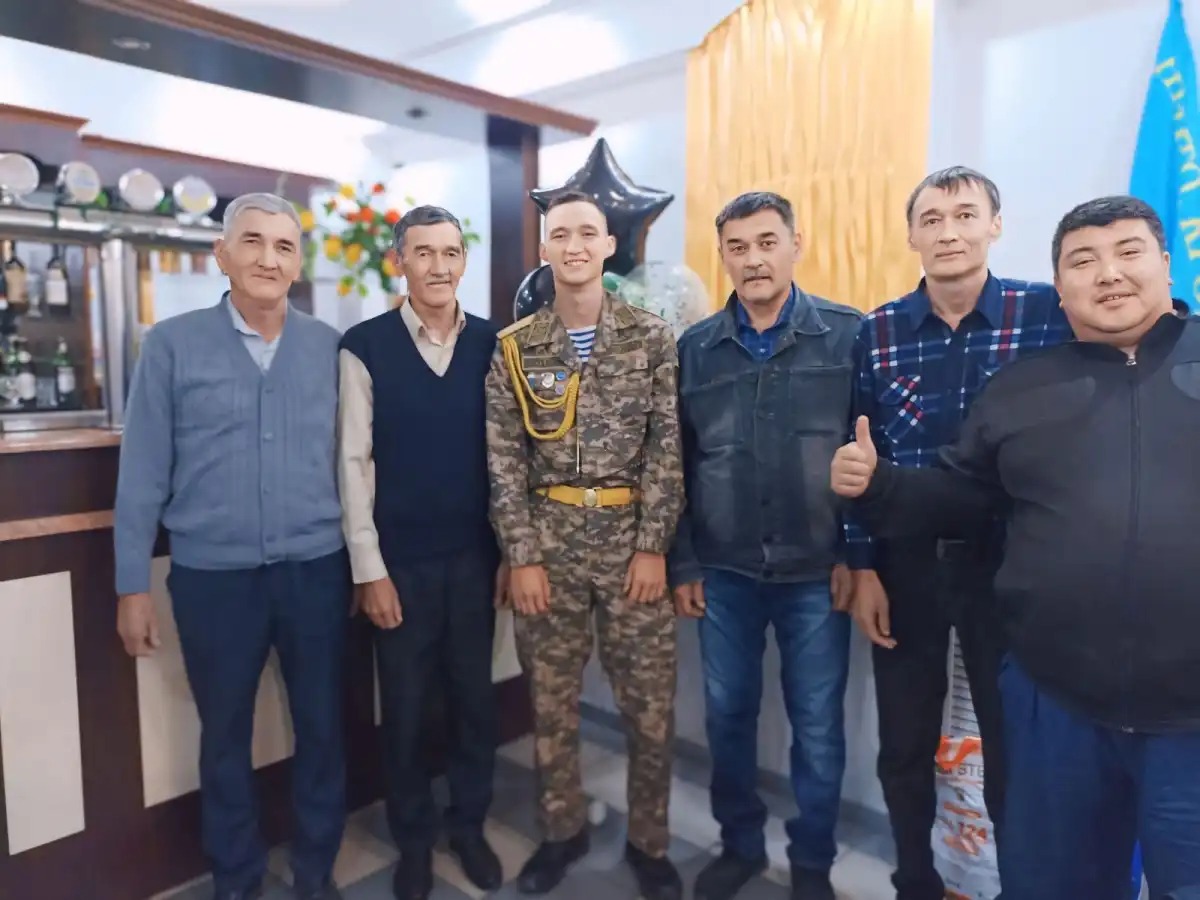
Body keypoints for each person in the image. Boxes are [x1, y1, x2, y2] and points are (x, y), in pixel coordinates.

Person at [831, 195, 1200, 899]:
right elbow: (957, 494)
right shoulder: (1021, 388)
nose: (1108, 274)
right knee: (1055, 884)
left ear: (1165, 262)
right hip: (1057, 706)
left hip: (1191, 720)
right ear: (1060, 287)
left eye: (1128, 253)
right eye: (1084, 261)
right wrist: (877, 486)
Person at [841, 166, 1072, 900]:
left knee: (1014, 745)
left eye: (966, 215)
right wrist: (863, 566)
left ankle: (1018, 884)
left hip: (1010, 564)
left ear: (994, 225)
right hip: (906, 566)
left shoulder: (1046, 314)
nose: (949, 232)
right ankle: (914, 879)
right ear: (911, 235)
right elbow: (856, 453)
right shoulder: (877, 329)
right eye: (932, 219)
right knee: (904, 742)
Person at [114, 193, 349, 900]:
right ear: (222, 254)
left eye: (284, 246)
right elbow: (142, 472)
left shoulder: (332, 348)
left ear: (298, 263)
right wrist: (131, 586)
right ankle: (237, 878)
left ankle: (315, 871)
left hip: (317, 571)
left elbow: (357, 463)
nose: (267, 259)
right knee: (223, 738)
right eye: (252, 241)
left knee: (322, 730)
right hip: (213, 580)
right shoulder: (170, 345)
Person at [485, 189, 685, 899]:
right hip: (549, 546)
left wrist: (653, 545)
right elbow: (504, 460)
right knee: (551, 704)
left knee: (650, 709)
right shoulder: (516, 347)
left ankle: (650, 843)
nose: (574, 245)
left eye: (587, 233)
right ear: (545, 249)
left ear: (609, 246)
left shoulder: (651, 338)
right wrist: (522, 555)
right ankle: (561, 831)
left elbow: (667, 448)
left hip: (632, 545)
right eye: (560, 234)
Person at [667, 191, 859, 900]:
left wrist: (858, 555)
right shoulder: (695, 350)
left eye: (767, 242)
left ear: (795, 245)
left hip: (817, 570)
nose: (753, 259)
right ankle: (740, 844)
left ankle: (812, 864)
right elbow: (676, 464)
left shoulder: (847, 336)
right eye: (738, 246)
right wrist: (683, 560)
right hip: (724, 571)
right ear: (723, 254)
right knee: (727, 718)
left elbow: (870, 455)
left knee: (818, 726)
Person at [337, 206, 506, 900]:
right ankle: (412, 840)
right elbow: (352, 462)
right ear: (399, 262)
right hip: (399, 565)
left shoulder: (495, 344)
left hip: (475, 560)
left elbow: (510, 458)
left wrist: (511, 553)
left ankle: (468, 826)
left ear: (463, 261)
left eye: (450, 252)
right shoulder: (364, 346)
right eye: (424, 253)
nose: (439, 266)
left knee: (473, 703)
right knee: (405, 711)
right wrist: (368, 570)